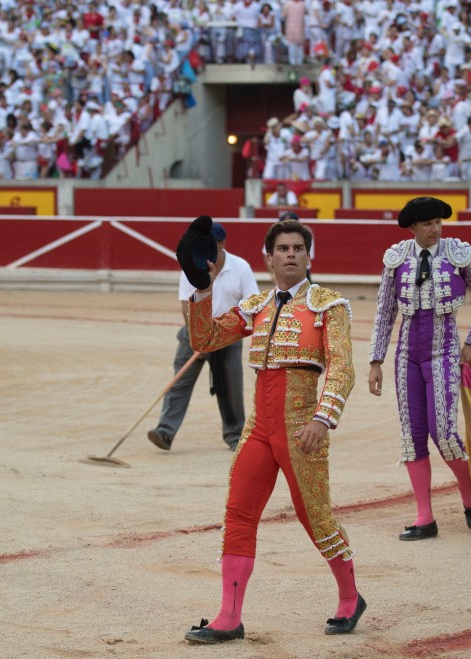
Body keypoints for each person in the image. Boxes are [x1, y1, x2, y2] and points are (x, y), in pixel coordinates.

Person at [184, 218, 364, 643]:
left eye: (298, 248)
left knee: (315, 516)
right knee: (238, 514)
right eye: (282, 248)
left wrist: (322, 418)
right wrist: (203, 289)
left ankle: (350, 597)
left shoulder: (329, 305)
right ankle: (229, 616)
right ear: (268, 258)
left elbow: (342, 368)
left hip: (302, 428)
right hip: (259, 428)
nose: (290, 254)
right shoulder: (257, 305)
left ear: (308, 256)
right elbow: (205, 339)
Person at [367, 197, 471, 541]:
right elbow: (385, 311)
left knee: (444, 432)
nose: (435, 229)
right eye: (427, 224)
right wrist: (376, 361)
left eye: (438, 222)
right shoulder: (396, 258)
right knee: (412, 436)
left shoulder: (459, 254)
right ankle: (425, 517)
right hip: (407, 355)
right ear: (413, 227)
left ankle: (468, 492)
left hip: (444, 351)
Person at [147, 223, 259, 451]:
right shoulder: (191, 266)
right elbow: (185, 305)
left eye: (212, 244)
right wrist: (197, 338)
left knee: (231, 388)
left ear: (222, 244)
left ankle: (235, 435)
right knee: (179, 383)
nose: (207, 249)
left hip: (227, 336)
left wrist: (222, 333)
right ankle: (165, 431)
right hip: (193, 332)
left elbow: (252, 304)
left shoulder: (240, 267)